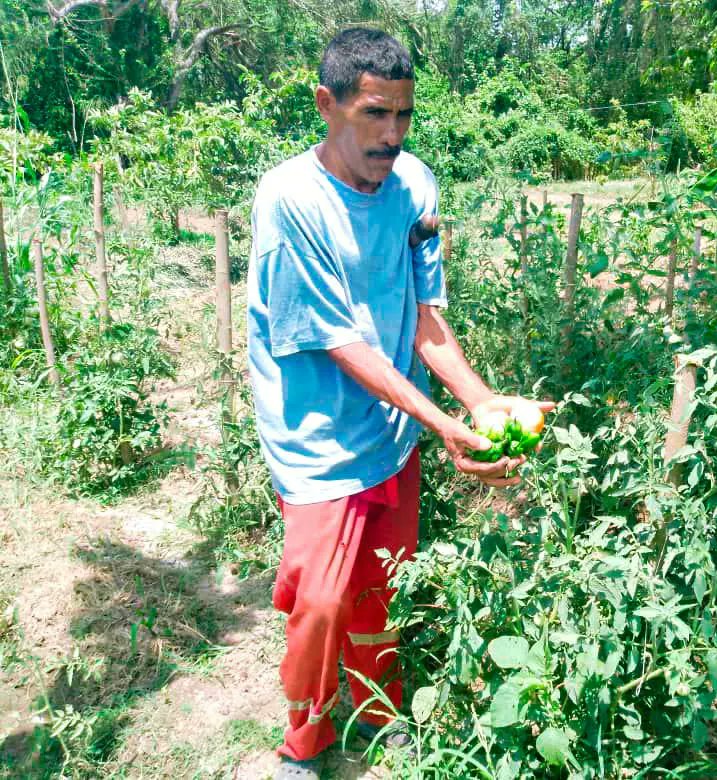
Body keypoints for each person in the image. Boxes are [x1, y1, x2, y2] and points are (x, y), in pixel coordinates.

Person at [245, 27, 552, 779]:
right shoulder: (289, 201)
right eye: (374, 115)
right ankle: (305, 744)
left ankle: (382, 715)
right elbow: (344, 344)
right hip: (315, 438)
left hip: (391, 433)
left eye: (404, 116)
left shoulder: (415, 186)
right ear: (328, 104)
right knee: (319, 606)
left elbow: (423, 317)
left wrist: (481, 405)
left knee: (385, 587)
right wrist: (447, 425)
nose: (392, 136)